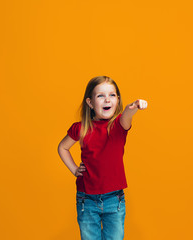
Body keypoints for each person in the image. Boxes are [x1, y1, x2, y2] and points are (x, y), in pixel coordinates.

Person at [57, 76, 148, 240]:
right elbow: (63, 147)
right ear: (90, 103)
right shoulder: (81, 128)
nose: (107, 99)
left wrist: (134, 106)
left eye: (112, 95)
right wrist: (74, 170)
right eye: (100, 96)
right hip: (87, 200)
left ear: (117, 100)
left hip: (114, 200)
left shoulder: (118, 126)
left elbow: (127, 114)